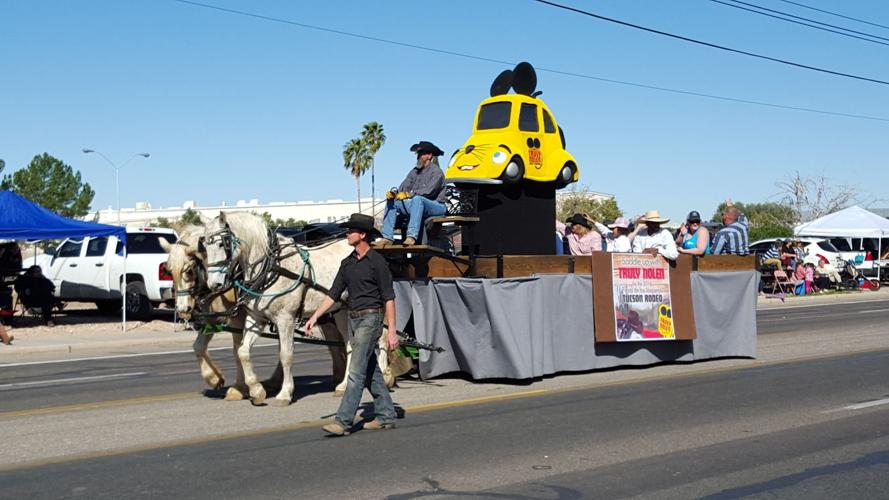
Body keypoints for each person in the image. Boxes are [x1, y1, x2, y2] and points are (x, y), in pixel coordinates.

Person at [305, 213, 400, 436]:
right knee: (370, 371)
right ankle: (386, 415)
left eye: (351, 231)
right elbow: (333, 294)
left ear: (363, 235)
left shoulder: (377, 262)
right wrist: (315, 316)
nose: (346, 234)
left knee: (355, 372)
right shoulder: (347, 263)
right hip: (353, 319)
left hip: (371, 319)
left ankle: (343, 421)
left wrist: (392, 331)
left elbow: (389, 298)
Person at [376, 141, 448, 247]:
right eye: (418, 154)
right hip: (416, 204)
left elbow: (428, 192)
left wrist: (409, 195)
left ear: (429, 155)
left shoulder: (437, 172)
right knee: (392, 201)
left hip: (437, 206)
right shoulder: (414, 172)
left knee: (417, 199)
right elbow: (403, 188)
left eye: (421, 154)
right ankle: (387, 237)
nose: (418, 157)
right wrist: (394, 194)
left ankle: (412, 236)